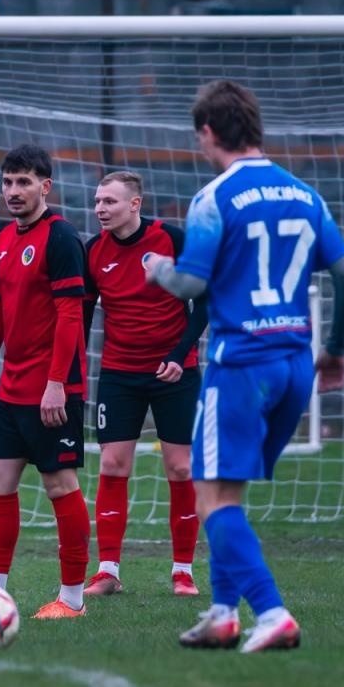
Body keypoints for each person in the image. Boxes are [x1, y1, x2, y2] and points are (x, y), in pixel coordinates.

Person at [145, 80, 344, 653]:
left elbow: (190, 283)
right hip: (295, 365)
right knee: (227, 494)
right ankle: (221, 613)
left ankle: (270, 612)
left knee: (210, 497)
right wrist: (333, 350)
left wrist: (156, 267)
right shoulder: (307, 195)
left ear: (209, 132)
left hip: (239, 363)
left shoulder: (214, 197)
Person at [0, 144, 93, 622]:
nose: (13, 191)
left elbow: (72, 314)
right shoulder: (4, 239)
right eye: (8, 182)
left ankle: (72, 599)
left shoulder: (62, 237)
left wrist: (57, 384)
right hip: (11, 386)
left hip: (53, 388)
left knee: (59, 483)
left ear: (45, 186)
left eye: (24, 182)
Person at [82, 170, 207, 597]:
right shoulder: (93, 251)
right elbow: (80, 316)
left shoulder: (171, 239)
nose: (101, 209)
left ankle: (183, 571)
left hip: (176, 372)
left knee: (181, 467)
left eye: (110, 202)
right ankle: (108, 571)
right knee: (114, 465)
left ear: (135, 204)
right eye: (98, 201)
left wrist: (179, 354)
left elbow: (204, 300)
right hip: (119, 373)